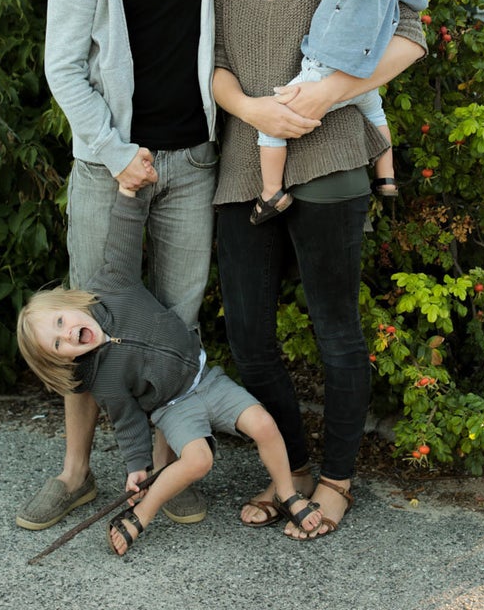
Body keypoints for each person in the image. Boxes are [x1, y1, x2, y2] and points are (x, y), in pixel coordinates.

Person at [16, 0, 234, 532]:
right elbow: (64, 67)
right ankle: (76, 473)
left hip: (192, 163)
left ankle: (172, 471)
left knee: (176, 321)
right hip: (112, 170)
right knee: (83, 324)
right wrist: (114, 152)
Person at [212, 0, 426, 538]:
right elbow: (211, 59)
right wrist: (253, 106)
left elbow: (411, 39)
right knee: (248, 336)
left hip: (331, 157)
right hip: (246, 162)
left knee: (337, 332)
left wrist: (324, 94)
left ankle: (336, 479)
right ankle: (292, 469)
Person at [17, 190, 327, 555]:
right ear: (63, 360)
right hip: (173, 407)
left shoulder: (112, 285)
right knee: (199, 459)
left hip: (207, 381)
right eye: (57, 343)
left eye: (59, 320)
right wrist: (137, 467)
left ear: (71, 301)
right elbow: (127, 421)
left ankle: (287, 492)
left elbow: (123, 238)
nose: (66, 332)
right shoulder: (101, 378)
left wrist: (129, 195)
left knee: (264, 424)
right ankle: (142, 513)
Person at [252, 0, 429, 223]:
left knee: (272, 123)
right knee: (375, 114)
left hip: (324, 70)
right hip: (362, 76)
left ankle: (271, 192)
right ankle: (387, 175)